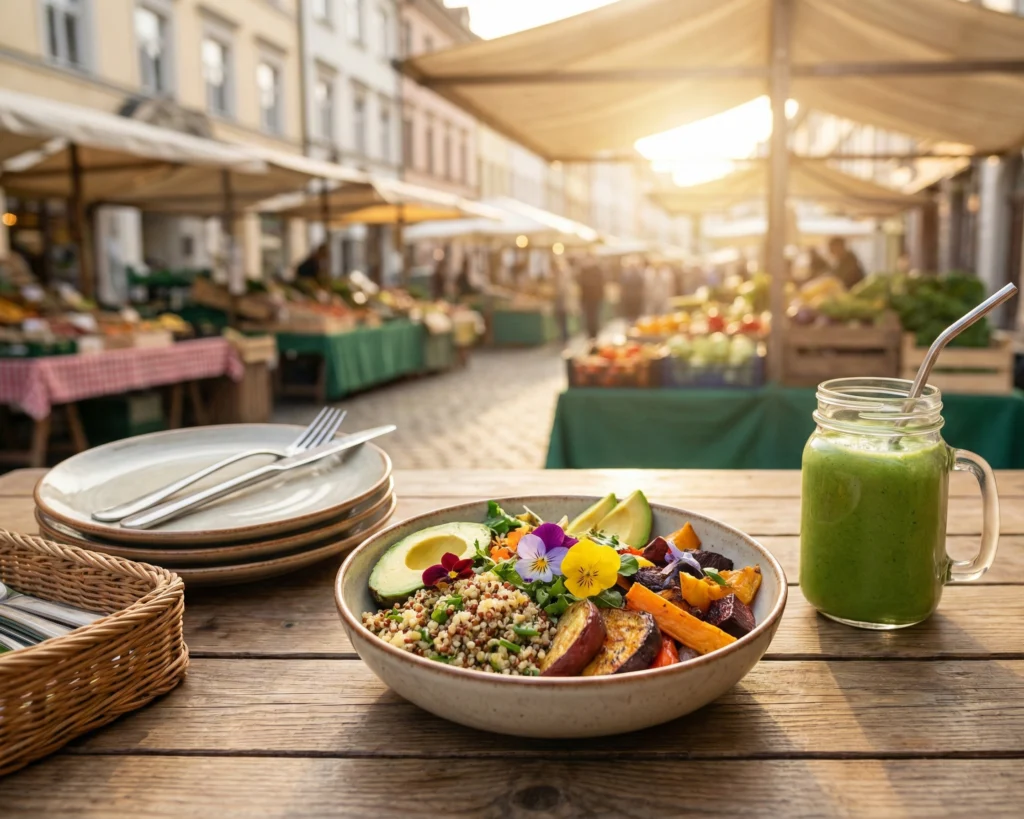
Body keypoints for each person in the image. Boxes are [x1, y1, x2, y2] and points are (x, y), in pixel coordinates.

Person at [578, 262, 605, 340]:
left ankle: (593, 334)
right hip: (588, 299)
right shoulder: (584, 271)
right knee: (590, 318)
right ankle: (591, 334)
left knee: (593, 317)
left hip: (594, 299)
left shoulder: (596, 271)